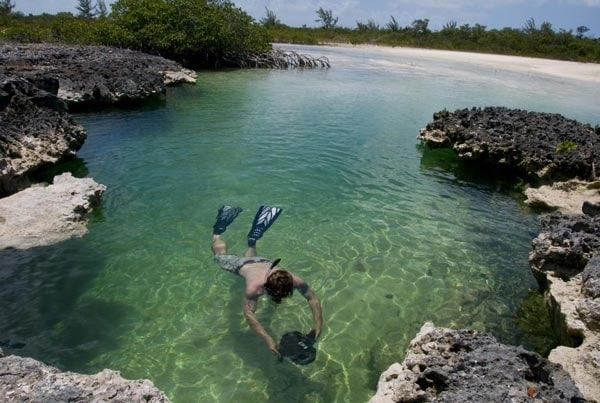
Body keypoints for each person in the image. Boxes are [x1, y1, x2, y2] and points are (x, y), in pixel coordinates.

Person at [211, 205, 323, 357]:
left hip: (260, 263)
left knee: (254, 266)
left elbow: (313, 299)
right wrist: (268, 339)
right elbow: (249, 315)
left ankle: (252, 240)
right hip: (243, 264)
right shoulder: (254, 288)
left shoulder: (292, 279)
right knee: (219, 257)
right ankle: (218, 232)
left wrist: (317, 327)